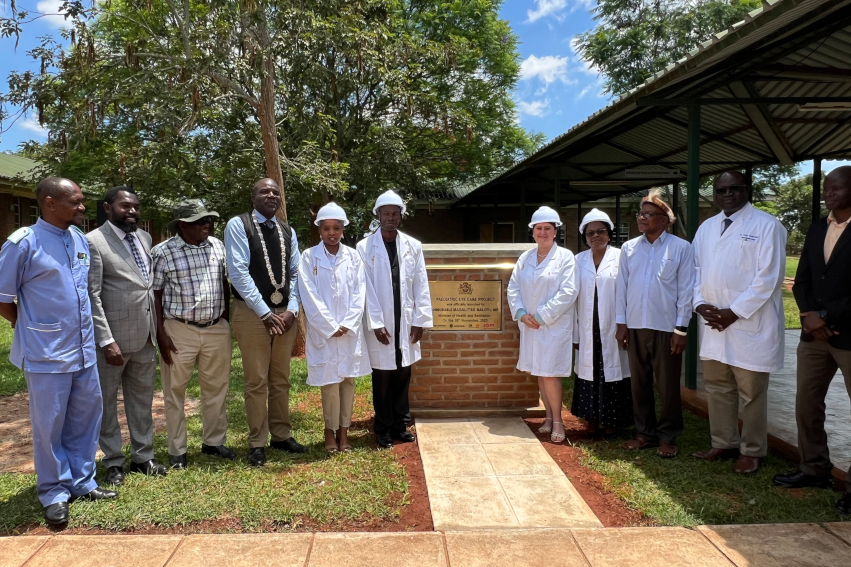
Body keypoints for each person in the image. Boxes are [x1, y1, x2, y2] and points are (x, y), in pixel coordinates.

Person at [0, 177, 116, 525]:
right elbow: (3, 298)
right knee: (49, 425)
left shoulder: (78, 239)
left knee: (85, 418)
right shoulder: (23, 243)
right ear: (49, 202)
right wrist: (28, 326)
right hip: (46, 352)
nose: (82, 208)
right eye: (75, 202)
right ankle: (53, 491)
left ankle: (82, 481)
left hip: (82, 351)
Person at [691, 172, 787, 474]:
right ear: (715, 194)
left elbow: (768, 278)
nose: (728, 194)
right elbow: (696, 271)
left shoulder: (767, 226)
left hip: (749, 325)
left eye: (735, 188)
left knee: (751, 393)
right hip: (714, 324)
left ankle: (753, 450)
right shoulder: (707, 228)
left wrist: (734, 312)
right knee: (717, 387)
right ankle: (723, 441)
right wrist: (700, 304)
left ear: (748, 190)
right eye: (722, 190)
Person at [773, 166, 851, 515]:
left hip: (848, 333)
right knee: (807, 404)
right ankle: (814, 468)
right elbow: (802, 279)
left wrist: (826, 316)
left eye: (836, 187)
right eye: (825, 187)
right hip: (813, 335)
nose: (828, 193)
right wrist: (808, 315)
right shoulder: (819, 226)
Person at [87, 186, 167, 486]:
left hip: (145, 337)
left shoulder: (144, 237)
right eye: (125, 206)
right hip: (113, 341)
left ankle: (143, 456)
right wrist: (106, 340)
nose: (132, 211)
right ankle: (113, 462)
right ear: (108, 208)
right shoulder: (94, 242)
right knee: (107, 404)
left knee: (141, 401)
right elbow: (91, 296)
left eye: (135, 206)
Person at [225, 179, 304, 467]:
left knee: (281, 379)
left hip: (284, 314)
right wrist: (264, 312)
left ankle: (281, 435)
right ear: (253, 196)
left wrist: (292, 309)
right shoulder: (238, 225)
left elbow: (296, 273)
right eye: (264, 191)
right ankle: (257, 441)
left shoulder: (287, 230)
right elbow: (238, 273)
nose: (271, 195)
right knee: (256, 380)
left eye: (275, 191)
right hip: (252, 313)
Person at [152, 199, 233, 469]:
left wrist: (224, 320)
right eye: (201, 221)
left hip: (215, 329)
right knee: (175, 391)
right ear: (183, 224)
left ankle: (214, 442)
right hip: (178, 329)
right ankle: (178, 451)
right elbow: (156, 295)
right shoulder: (163, 252)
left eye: (209, 220)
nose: (207, 224)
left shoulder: (218, 246)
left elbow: (224, 282)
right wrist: (160, 334)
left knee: (216, 389)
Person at [616, 189, 694, 458]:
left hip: (666, 328)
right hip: (636, 326)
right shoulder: (628, 249)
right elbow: (621, 288)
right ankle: (645, 433)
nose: (643, 218)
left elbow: (686, 291)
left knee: (667, 385)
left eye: (649, 214)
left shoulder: (681, 248)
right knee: (639, 383)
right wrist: (621, 324)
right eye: (641, 213)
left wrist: (681, 328)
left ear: (666, 219)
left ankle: (669, 436)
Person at [357, 190, 433, 448]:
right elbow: (364, 287)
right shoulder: (364, 247)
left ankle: (401, 424)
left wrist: (420, 320)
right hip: (381, 323)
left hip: (406, 320)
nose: (390, 218)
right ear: (377, 215)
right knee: (382, 378)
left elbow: (421, 283)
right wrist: (376, 323)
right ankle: (383, 428)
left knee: (403, 374)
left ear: (401, 216)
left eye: (395, 213)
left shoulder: (413, 246)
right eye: (385, 213)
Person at [298, 203, 370, 453]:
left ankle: (344, 432)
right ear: (319, 229)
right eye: (327, 228)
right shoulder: (309, 257)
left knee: (347, 382)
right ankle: (329, 432)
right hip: (324, 332)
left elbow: (360, 292)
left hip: (348, 332)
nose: (332, 233)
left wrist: (348, 323)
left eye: (336, 228)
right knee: (329, 383)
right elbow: (308, 294)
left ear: (342, 230)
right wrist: (330, 325)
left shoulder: (353, 257)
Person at [507, 206, 578, 444]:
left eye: (548, 228)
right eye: (539, 228)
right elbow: (513, 288)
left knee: (550, 373)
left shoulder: (566, 257)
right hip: (530, 324)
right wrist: (521, 313)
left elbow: (568, 292)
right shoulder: (525, 258)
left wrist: (542, 316)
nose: (543, 232)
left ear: (555, 231)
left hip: (552, 325)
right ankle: (548, 417)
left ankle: (558, 421)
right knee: (539, 371)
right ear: (533, 231)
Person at [571, 209, 632, 438]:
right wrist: (576, 335)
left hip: (613, 324)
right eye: (590, 233)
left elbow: (628, 293)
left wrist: (624, 325)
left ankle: (612, 422)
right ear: (585, 237)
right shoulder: (578, 260)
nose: (595, 236)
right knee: (590, 371)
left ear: (609, 233)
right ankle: (591, 419)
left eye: (600, 231)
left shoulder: (621, 257)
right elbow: (572, 298)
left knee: (613, 371)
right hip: (587, 325)